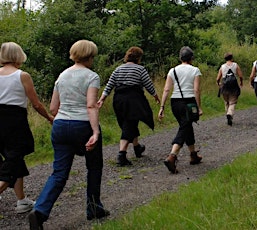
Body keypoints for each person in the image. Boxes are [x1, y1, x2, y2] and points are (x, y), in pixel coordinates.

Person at [28, 40, 109, 229]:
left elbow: (53, 108)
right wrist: (95, 132)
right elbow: (91, 105)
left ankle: (39, 212)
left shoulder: (62, 76)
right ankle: (93, 207)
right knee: (94, 167)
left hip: (60, 125)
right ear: (89, 56)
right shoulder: (92, 76)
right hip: (83, 126)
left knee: (59, 173)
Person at [0, 42, 54, 214]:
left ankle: (22, 201)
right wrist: (49, 117)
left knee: (14, 159)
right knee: (14, 158)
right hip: (14, 122)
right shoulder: (22, 76)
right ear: (19, 55)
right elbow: (36, 104)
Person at [97, 47, 160, 166]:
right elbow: (148, 85)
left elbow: (109, 86)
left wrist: (101, 100)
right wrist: (156, 96)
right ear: (138, 58)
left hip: (119, 100)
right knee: (129, 124)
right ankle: (121, 154)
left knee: (129, 122)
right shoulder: (140, 69)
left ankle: (137, 147)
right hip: (134, 99)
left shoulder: (118, 69)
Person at [159, 46, 203, 174]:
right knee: (185, 127)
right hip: (188, 102)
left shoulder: (172, 71)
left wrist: (162, 107)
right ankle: (172, 156)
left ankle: (193, 155)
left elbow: (166, 89)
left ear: (180, 58)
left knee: (186, 125)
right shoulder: (195, 70)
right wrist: (199, 107)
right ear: (191, 58)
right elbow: (196, 90)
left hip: (175, 103)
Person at [216, 52, 243, 126]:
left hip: (225, 86)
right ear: (232, 58)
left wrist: (218, 83)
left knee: (226, 101)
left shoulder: (222, 66)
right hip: (233, 86)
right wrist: (241, 82)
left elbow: (218, 78)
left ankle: (228, 114)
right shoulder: (235, 65)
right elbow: (240, 76)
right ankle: (230, 114)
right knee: (232, 102)